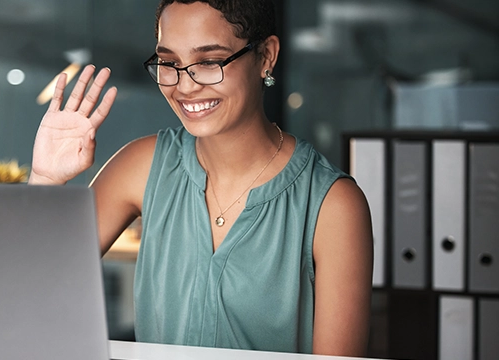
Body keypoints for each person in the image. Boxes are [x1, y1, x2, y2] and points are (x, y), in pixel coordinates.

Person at [29, 0, 373, 356]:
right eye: (170, 63)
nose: (185, 86)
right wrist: (45, 179)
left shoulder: (333, 205)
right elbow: (32, 289)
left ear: (266, 56)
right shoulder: (141, 166)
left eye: (209, 62)